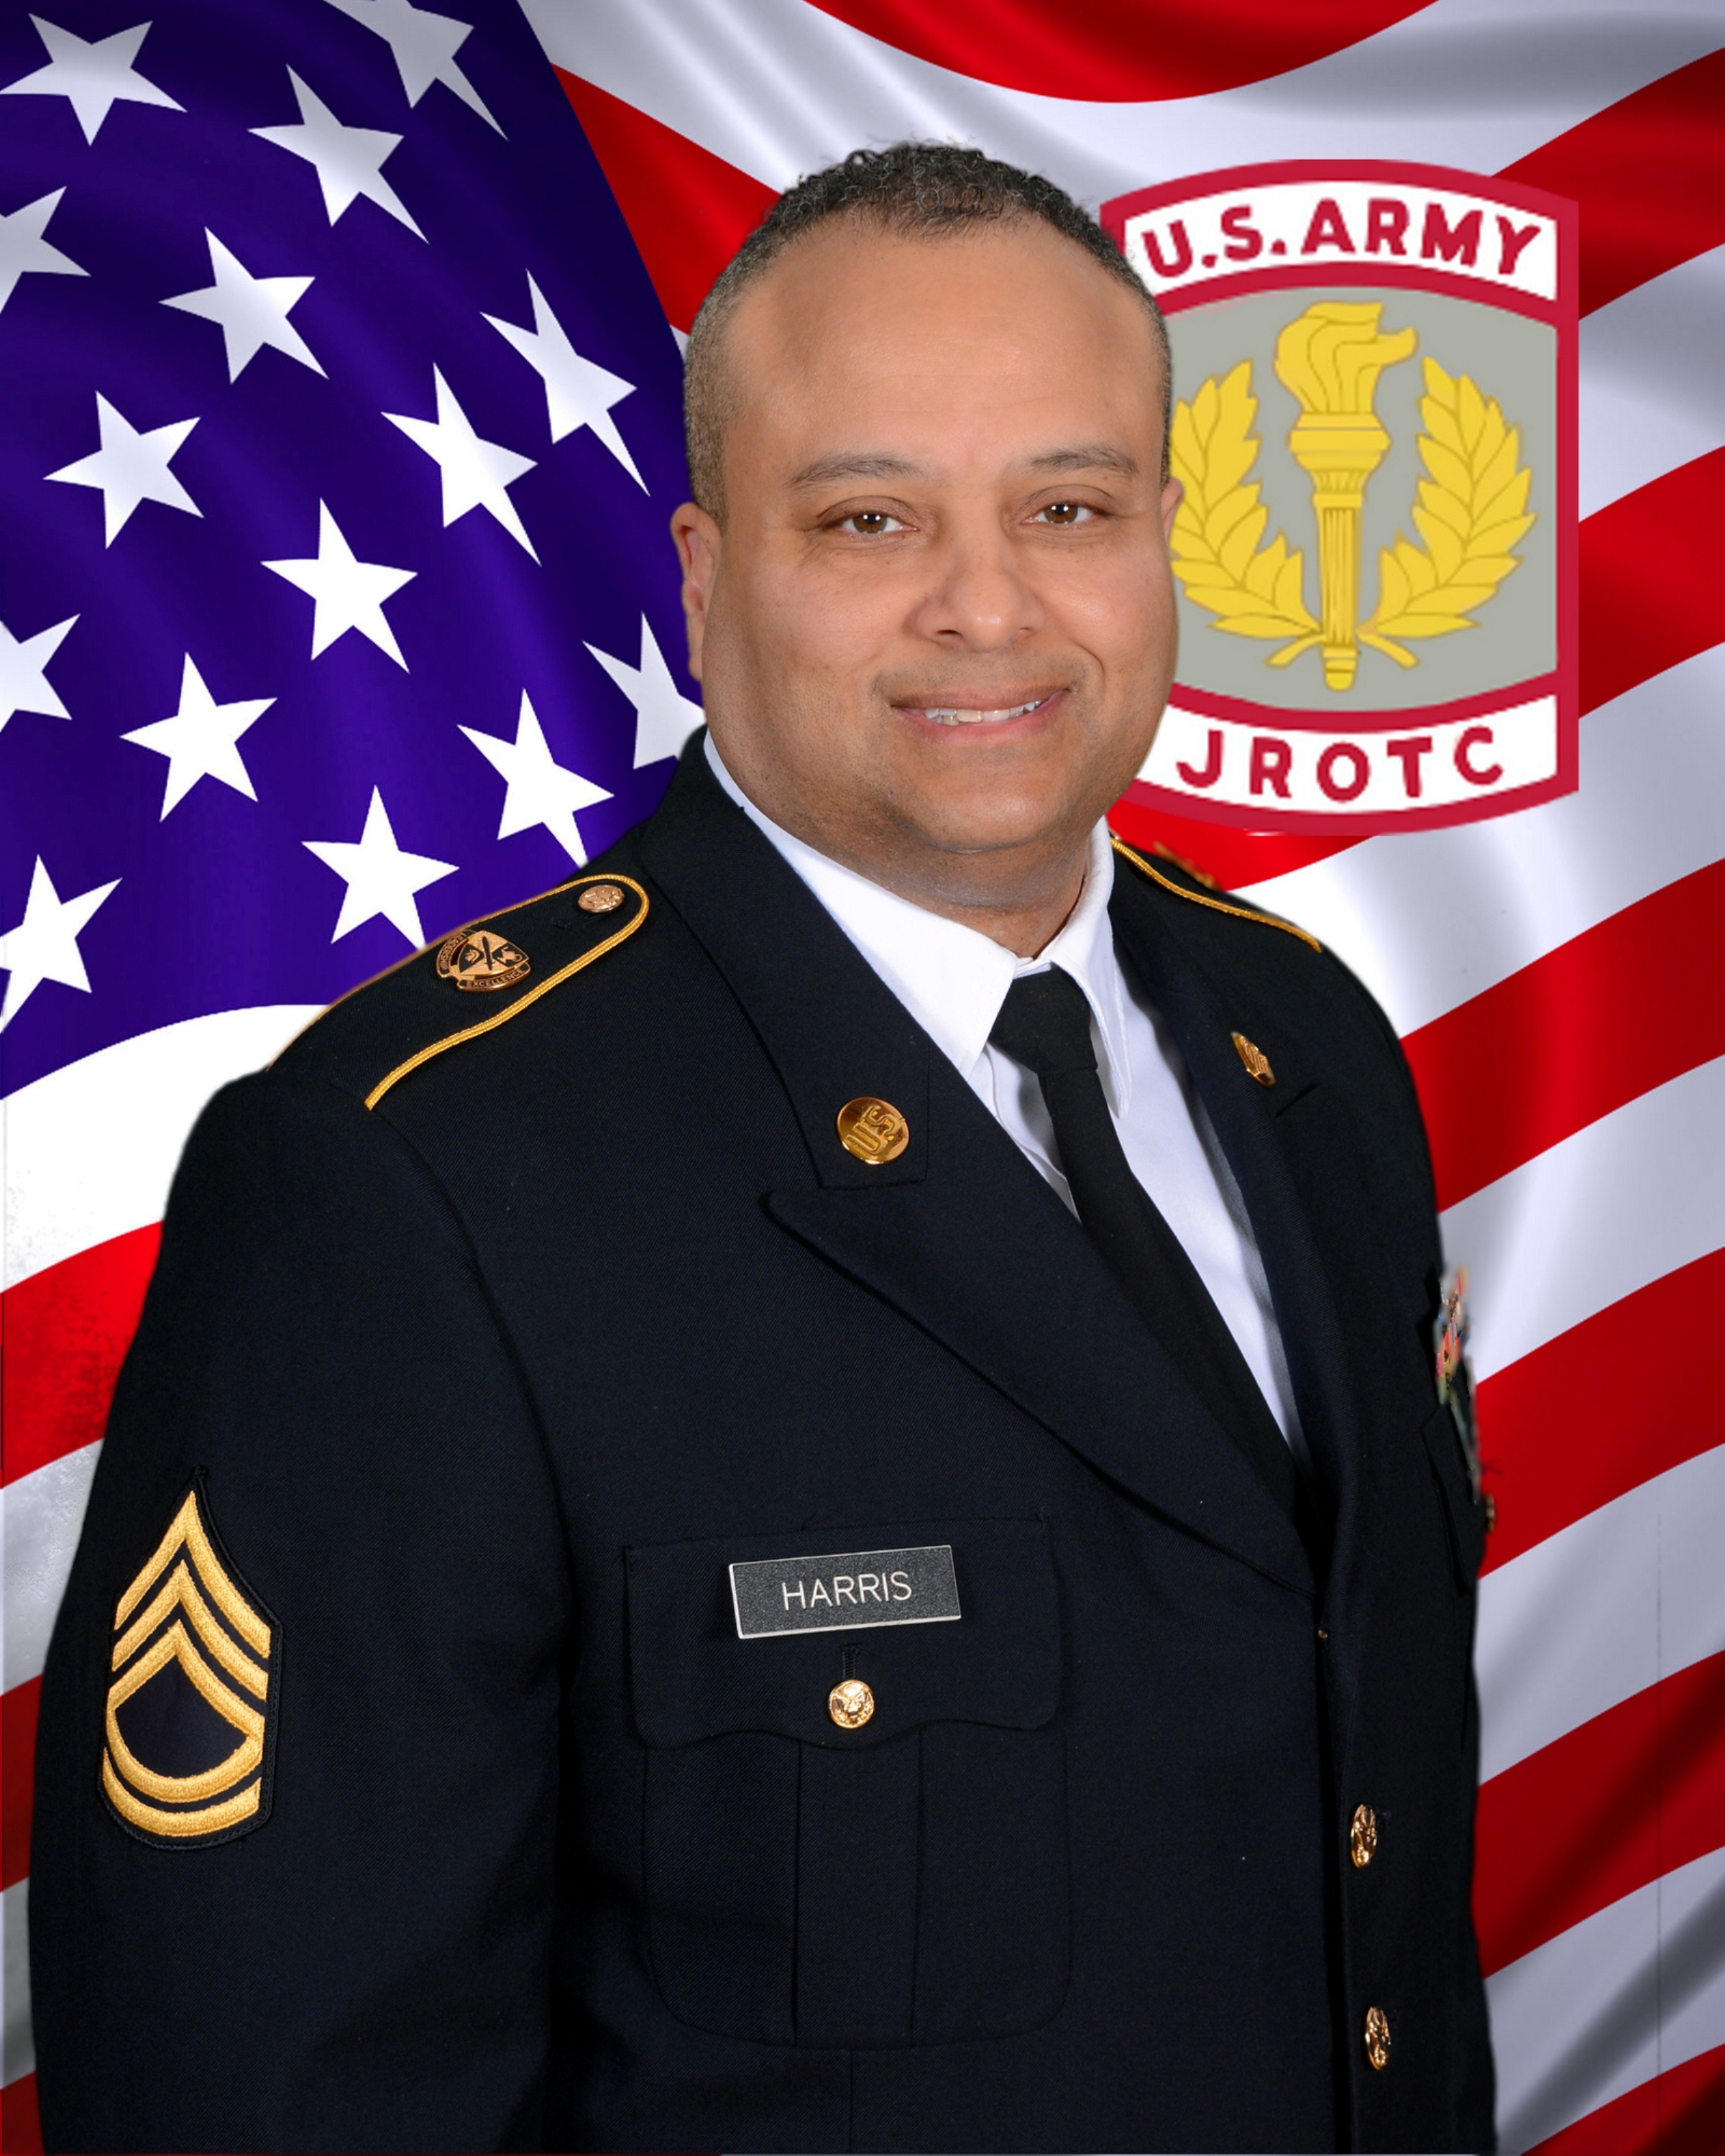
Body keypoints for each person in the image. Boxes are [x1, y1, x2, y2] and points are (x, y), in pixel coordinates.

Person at [32, 144, 1494, 2154]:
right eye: (869, 518)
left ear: (1166, 538)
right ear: (708, 581)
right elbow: (266, 2083)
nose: (988, 606)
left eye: (1068, 508)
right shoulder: (409, 1178)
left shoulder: (1308, 1048)